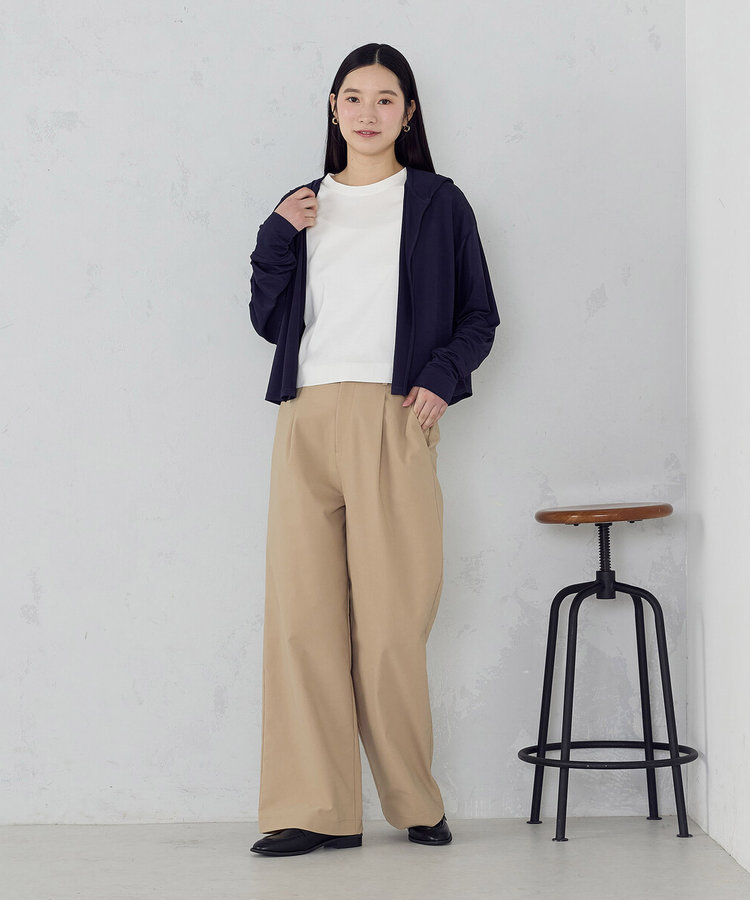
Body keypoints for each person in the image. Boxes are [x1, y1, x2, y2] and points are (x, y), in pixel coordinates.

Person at [248, 43, 499, 858]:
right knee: (302, 621)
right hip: (306, 417)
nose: (367, 112)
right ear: (333, 108)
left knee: (392, 624)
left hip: (394, 417)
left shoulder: (436, 203)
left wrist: (440, 378)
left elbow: (480, 315)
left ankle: (414, 801)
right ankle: (312, 809)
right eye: (352, 97)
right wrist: (276, 235)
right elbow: (268, 318)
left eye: (385, 99)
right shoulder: (303, 205)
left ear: (408, 113)